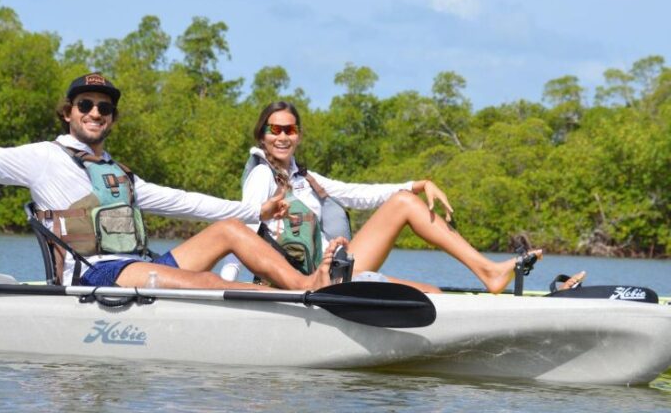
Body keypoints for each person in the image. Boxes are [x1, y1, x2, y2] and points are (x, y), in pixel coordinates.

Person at [0, 75, 344, 290]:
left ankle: (309, 287)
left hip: (136, 263)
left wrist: (254, 213)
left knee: (228, 231)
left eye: (105, 108)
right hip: (94, 273)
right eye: (86, 105)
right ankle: (290, 299)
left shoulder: (119, 172)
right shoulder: (42, 159)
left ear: (112, 119)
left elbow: (186, 202)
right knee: (198, 281)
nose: (95, 113)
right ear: (68, 112)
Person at [240, 101, 585, 294]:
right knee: (426, 284)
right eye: (276, 129)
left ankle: (490, 273)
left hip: (333, 276)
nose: (283, 136)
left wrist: (418, 183)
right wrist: (228, 286)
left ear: (299, 135)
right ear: (263, 134)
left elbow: (361, 194)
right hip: (298, 285)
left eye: (291, 129)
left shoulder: (308, 179)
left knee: (429, 286)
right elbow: (244, 231)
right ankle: (490, 273)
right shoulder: (260, 176)